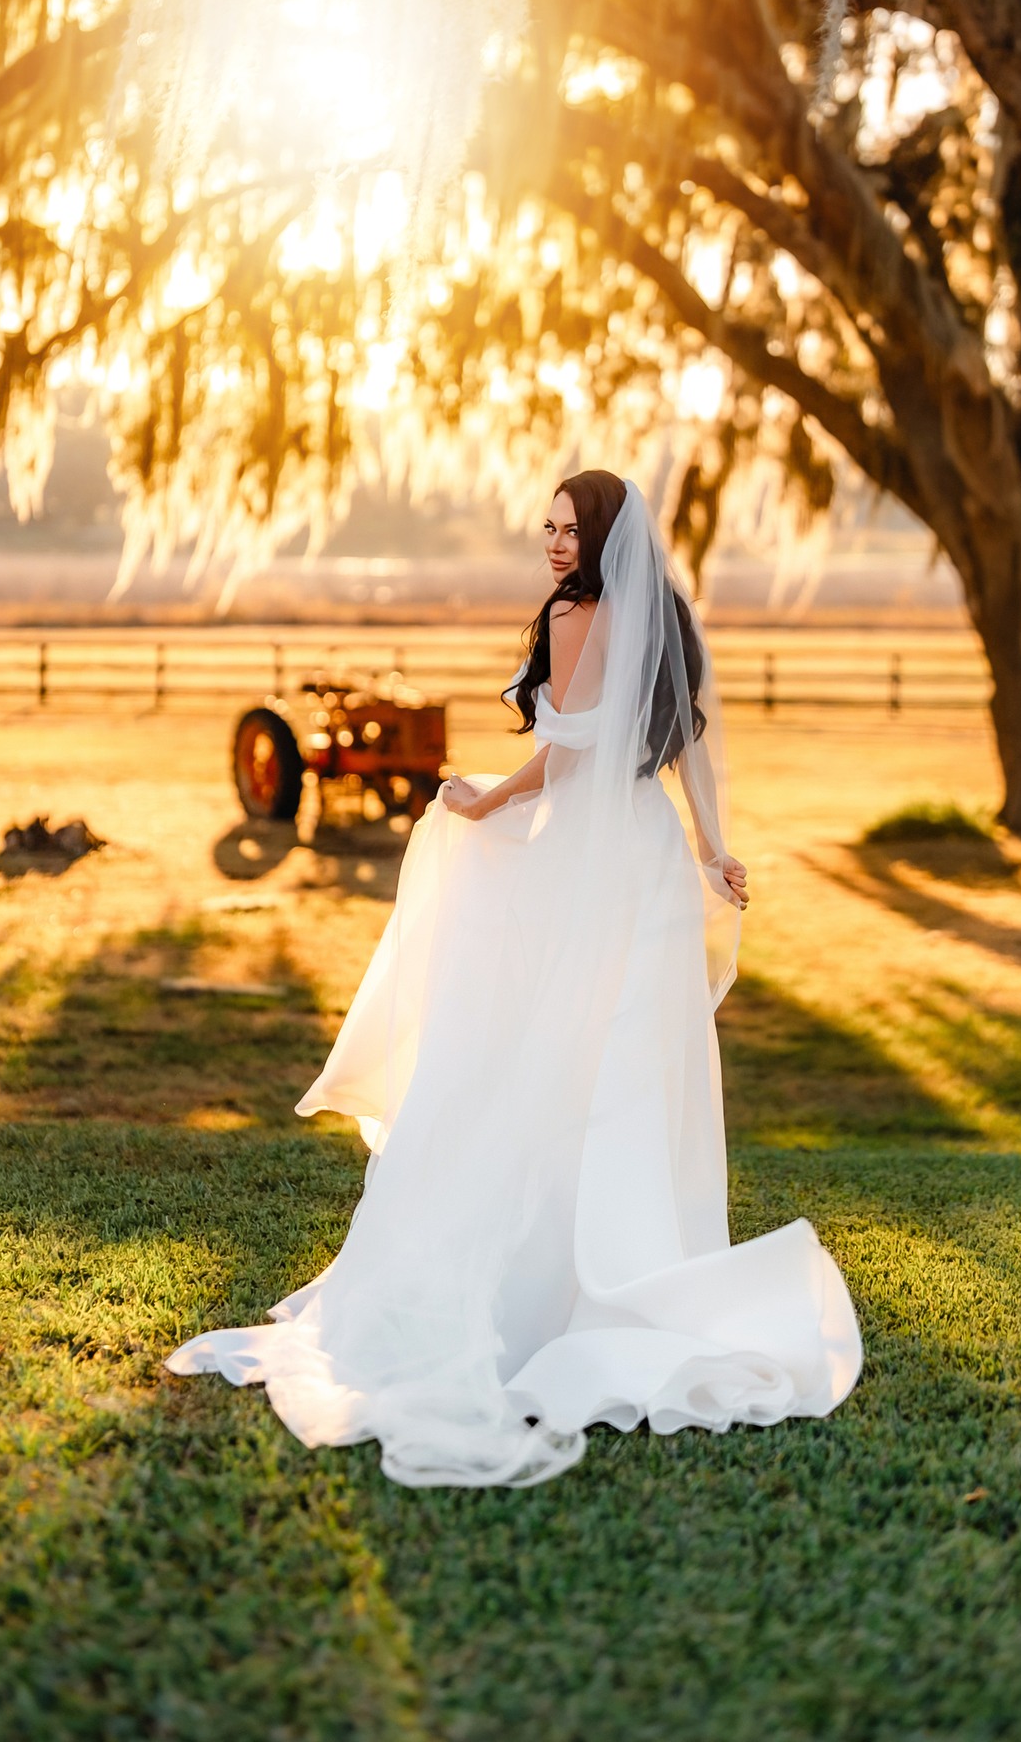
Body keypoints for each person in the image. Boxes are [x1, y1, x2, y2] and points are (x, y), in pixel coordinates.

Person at [168, 471, 862, 1486]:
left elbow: (568, 750)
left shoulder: (580, 612)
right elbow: (690, 744)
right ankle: (633, 1269)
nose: (552, 543)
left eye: (568, 528)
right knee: (626, 1067)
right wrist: (714, 849)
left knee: (545, 1051)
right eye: (547, 528)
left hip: (583, 850)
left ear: (603, 536)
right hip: (651, 857)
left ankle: (549, 1289)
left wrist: (490, 802)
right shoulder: (670, 615)